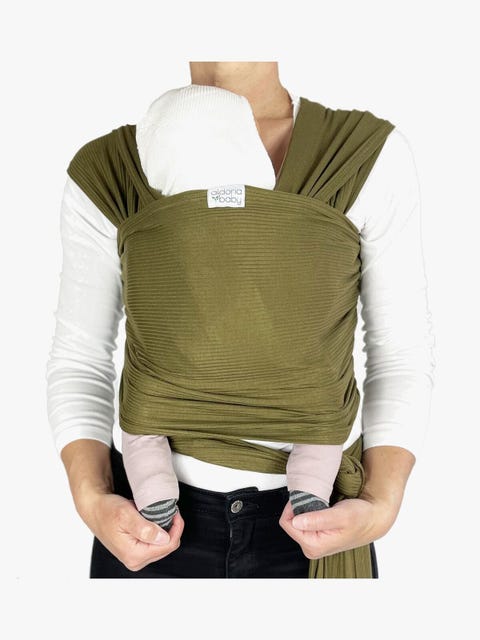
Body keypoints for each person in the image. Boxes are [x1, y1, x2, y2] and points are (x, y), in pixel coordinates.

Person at [45, 61, 435, 578]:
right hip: (143, 523)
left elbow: (399, 350)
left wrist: (381, 504)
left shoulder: (364, 155)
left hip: (318, 523)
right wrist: (92, 498)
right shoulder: (110, 170)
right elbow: (81, 357)